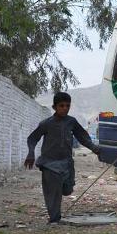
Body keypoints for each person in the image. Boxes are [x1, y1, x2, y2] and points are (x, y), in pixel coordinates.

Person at [25, 92, 101, 223]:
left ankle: (56, 204)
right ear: (54, 107)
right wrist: (31, 153)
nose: (65, 108)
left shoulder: (71, 122)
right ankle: (54, 219)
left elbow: (83, 137)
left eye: (67, 106)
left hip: (66, 163)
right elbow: (32, 138)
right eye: (61, 106)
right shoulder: (46, 124)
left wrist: (95, 149)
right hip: (50, 164)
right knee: (53, 193)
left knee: (67, 190)